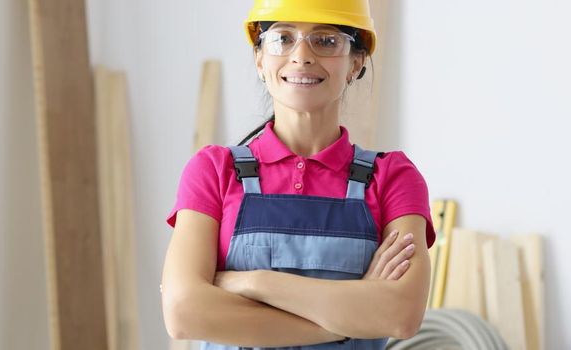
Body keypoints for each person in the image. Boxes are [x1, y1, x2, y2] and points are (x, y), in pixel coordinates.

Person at [160, 1, 436, 349]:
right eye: (282, 38)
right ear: (260, 59)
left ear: (356, 62)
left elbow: (400, 314)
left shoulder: (392, 178)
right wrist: (350, 320)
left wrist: (255, 283)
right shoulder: (214, 171)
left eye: (326, 40)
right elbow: (184, 313)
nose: (302, 55)